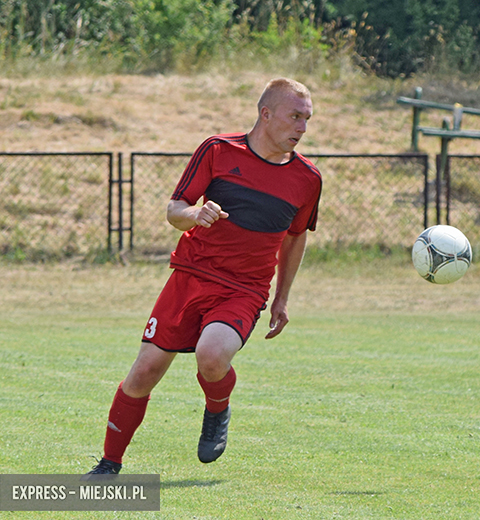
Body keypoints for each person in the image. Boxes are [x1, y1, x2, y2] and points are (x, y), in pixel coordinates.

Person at [86, 77, 322, 475]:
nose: (302, 128)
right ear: (266, 114)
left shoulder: (307, 179)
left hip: (243, 290)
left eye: (307, 119)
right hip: (190, 277)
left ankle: (217, 408)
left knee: (212, 355)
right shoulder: (218, 150)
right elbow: (175, 208)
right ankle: (109, 466)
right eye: (294, 117)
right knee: (143, 374)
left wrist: (281, 298)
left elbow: (295, 238)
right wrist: (195, 214)